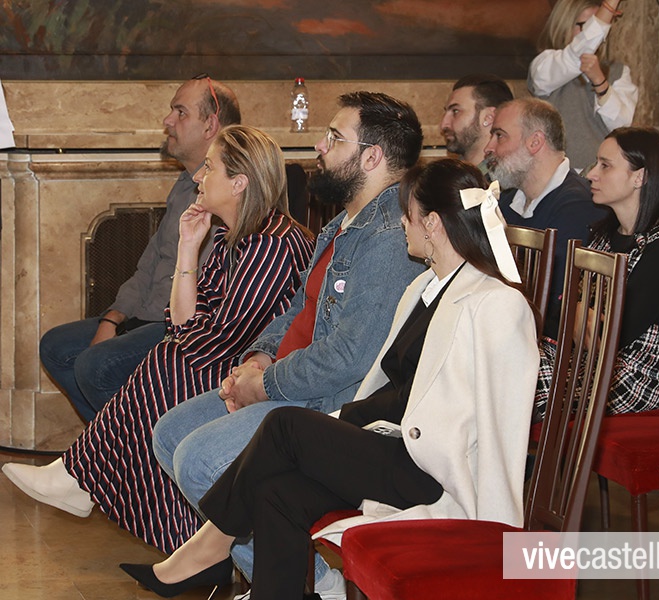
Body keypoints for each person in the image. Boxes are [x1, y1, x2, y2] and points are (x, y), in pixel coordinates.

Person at [120, 158, 540, 600]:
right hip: (394, 446)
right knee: (278, 491)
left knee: (284, 425)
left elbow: (501, 425)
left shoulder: (496, 303)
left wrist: (498, 527)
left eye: (408, 214)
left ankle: (208, 546)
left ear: (433, 223)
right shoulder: (424, 290)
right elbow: (393, 390)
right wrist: (339, 423)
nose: (402, 223)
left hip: (434, 471)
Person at [151, 91, 425, 589]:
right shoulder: (345, 222)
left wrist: (266, 383)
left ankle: (315, 585)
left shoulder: (387, 238)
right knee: (169, 433)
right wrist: (258, 357)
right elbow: (299, 307)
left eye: (334, 138)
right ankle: (278, 576)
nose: (319, 145)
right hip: (293, 379)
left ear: (372, 157)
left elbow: (350, 359)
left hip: (331, 405)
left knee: (199, 461)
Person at [2, 125, 316, 552]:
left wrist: (183, 337)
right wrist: (188, 246)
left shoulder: (273, 244)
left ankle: (86, 481)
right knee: (168, 358)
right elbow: (182, 323)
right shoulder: (230, 237)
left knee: (168, 362)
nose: (198, 176)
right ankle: (119, 501)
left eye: (209, 167)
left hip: (264, 376)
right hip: (227, 362)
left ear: (239, 183)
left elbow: (217, 341)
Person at [39, 76, 241, 422]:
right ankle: (114, 442)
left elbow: (207, 304)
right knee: (56, 346)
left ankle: (138, 447)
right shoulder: (184, 183)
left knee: (95, 367)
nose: (167, 121)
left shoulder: (227, 194)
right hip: (145, 314)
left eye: (180, 112)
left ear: (210, 125)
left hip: (176, 325)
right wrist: (113, 317)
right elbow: (149, 264)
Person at [584, 126, 659, 413]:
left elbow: (616, 330)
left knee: (511, 386)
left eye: (605, 166)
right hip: (588, 366)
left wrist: (578, 313)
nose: (591, 174)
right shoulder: (603, 236)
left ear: (639, 177)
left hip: (632, 382)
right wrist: (580, 314)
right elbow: (568, 311)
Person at [485, 97, 606, 340]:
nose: (489, 147)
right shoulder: (506, 202)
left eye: (499, 136)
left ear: (535, 142)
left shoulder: (579, 206)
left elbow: (554, 302)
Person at [529, 0, 638, 172]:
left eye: (601, 25)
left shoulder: (618, 71)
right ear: (565, 25)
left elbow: (622, 126)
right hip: (556, 176)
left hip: (601, 175)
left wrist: (600, 81)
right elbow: (576, 54)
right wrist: (609, 6)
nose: (596, 33)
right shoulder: (546, 64)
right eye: (586, 26)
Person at [439, 74, 514, 173]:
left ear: (489, 117)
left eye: (456, 111)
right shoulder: (450, 176)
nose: (443, 125)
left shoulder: (510, 178)